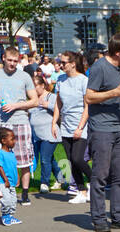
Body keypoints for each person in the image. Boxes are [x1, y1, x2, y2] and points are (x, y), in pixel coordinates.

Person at [83, 33, 120, 232]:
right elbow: (89, 97)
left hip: (118, 128)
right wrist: (114, 93)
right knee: (100, 175)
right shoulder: (99, 68)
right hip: (101, 129)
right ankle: (99, 220)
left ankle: (119, 216)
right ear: (117, 52)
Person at [0, 46, 40, 206]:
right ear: (3, 58)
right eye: (9, 60)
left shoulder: (24, 76)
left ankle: (24, 193)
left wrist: (16, 105)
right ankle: (0, 191)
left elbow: (34, 101)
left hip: (20, 121)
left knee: (23, 158)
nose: (12, 64)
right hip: (1, 122)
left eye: (15, 61)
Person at [53, 52, 89, 202]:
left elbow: (88, 106)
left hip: (81, 123)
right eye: (60, 62)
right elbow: (58, 103)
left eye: (64, 63)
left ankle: (94, 182)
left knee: (78, 158)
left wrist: (80, 127)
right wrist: (54, 122)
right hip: (66, 125)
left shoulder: (84, 80)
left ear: (73, 63)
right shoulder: (60, 80)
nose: (61, 65)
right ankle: (82, 191)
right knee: (71, 160)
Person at [30, 71, 60, 192]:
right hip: (37, 134)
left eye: (35, 86)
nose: (33, 89)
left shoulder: (51, 97)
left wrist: (47, 105)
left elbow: (59, 109)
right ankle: (61, 179)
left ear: (42, 85)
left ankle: (44, 183)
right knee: (49, 158)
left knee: (45, 159)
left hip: (49, 133)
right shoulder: (32, 98)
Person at [0, 127, 23, 226]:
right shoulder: (0, 153)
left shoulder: (11, 153)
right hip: (3, 181)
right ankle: (5, 215)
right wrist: (5, 180)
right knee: (6, 199)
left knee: (13, 199)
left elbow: (14, 166)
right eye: (12, 139)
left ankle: (10, 215)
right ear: (4, 141)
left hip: (12, 181)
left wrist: (18, 178)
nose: (14, 141)